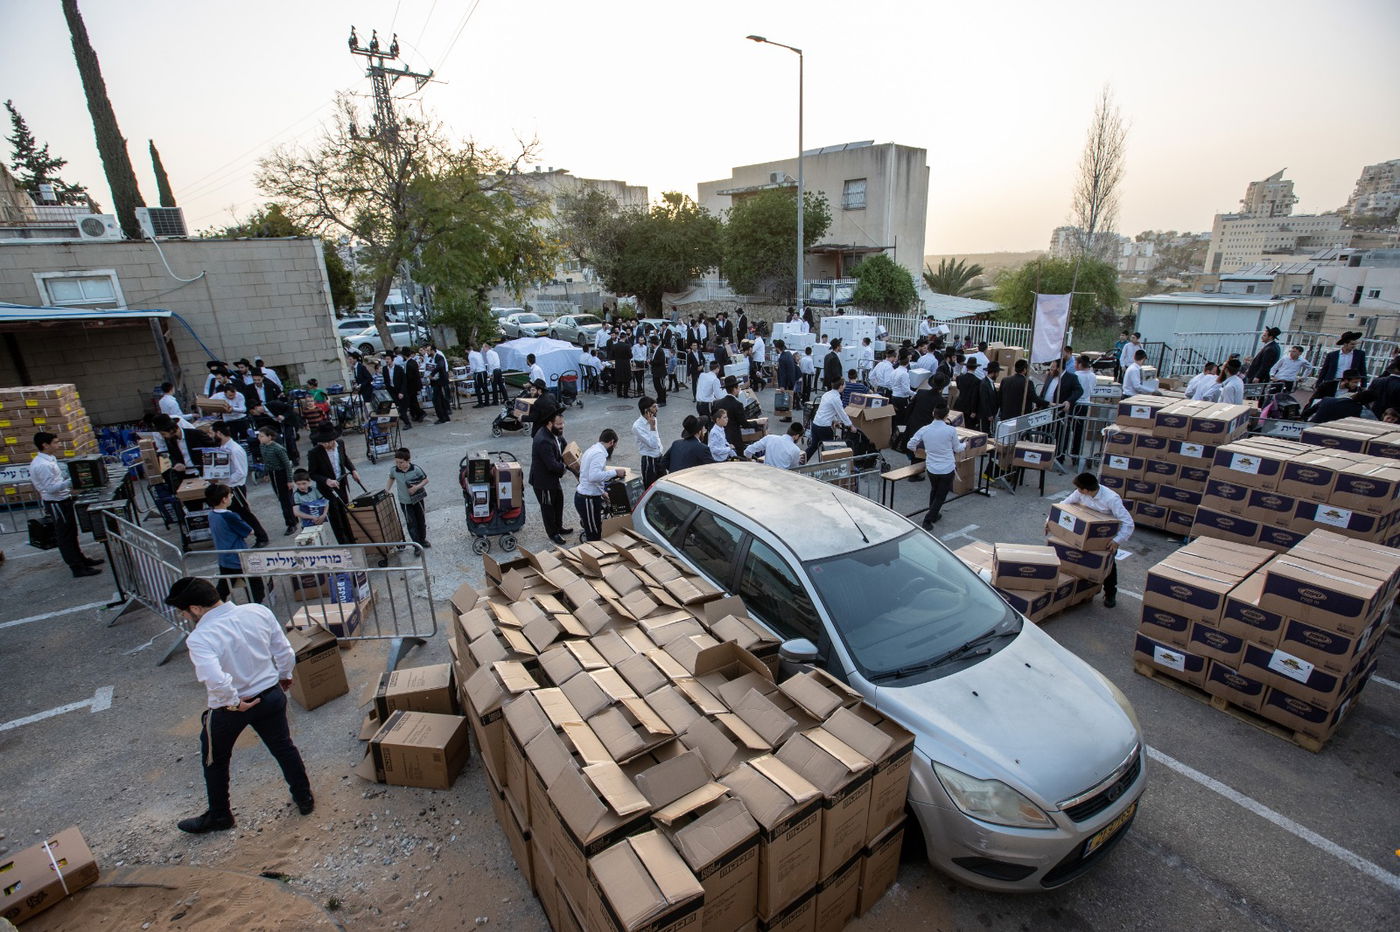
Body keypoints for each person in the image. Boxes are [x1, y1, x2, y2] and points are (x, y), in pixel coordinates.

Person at [165, 576, 312, 835]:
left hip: (232, 707)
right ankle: (304, 797)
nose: (185, 616)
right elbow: (285, 651)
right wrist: (284, 675)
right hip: (270, 693)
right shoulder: (257, 611)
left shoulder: (200, 637)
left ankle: (221, 815)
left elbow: (214, 677)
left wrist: (233, 702)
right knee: (283, 746)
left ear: (196, 609)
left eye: (185, 611)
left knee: (216, 761)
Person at [29, 431, 104, 577]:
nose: (58, 445)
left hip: (63, 499)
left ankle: (81, 559)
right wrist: (72, 480)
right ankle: (76, 567)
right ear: (45, 445)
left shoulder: (50, 459)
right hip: (56, 503)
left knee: (72, 532)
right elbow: (50, 488)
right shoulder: (42, 465)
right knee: (65, 536)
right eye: (55, 442)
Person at [1058, 472, 1133, 608]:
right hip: (1083, 534)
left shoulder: (1111, 499)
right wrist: (1049, 521)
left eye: (1080, 489)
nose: (1078, 491)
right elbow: (1064, 504)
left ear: (1086, 490)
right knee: (1079, 560)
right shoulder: (1080, 492)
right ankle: (1083, 590)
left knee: (1108, 565)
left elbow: (1128, 523)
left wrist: (1117, 540)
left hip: (1104, 538)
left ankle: (1110, 593)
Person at [205, 482, 266, 603]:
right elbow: (250, 531)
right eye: (229, 495)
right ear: (224, 499)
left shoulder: (211, 514)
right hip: (239, 558)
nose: (231, 497)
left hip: (224, 558)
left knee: (223, 587)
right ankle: (255, 608)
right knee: (256, 587)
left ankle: (213, 606)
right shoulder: (230, 516)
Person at [212, 422, 269, 547]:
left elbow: (241, 473)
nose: (211, 436)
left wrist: (224, 482)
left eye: (212, 433)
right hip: (228, 486)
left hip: (235, 488)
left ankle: (262, 536)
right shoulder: (223, 448)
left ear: (219, 433)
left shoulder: (235, 450)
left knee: (245, 514)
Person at [907, 406, 965, 528]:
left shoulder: (925, 429)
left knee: (934, 490)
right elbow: (957, 448)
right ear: (946, 416)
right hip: (947, 468)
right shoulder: (951, 430)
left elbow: (910, 444)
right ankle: (928, 519)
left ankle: (934, 514)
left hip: (932, 467)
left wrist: (919, 451)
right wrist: (966, 444)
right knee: (941, 495)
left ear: (933, 414)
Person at [307, 426, 362, 544]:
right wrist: (326, 480)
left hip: (341, 483)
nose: (325, 445)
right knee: (335, 516)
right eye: (322, 443)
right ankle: (343, 542)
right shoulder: (314, 452)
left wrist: (353, 470)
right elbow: (312, 474)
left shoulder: (340, 444)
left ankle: (352, 540)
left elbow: (345, 459)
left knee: (345, 511)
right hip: (327, 489)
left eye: (327, 442)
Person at [530, 411, 572, 545]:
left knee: (558, 502)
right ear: (549, 423)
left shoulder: (556, 434)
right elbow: (552, 465)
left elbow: (565, 447)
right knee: (548, 508)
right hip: (543, 481)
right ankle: (553, 533)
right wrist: (566, 466)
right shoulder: (543, 440)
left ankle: (559, 527)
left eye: (562, 423)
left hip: (552, 479)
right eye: (559, 424)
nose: (562, 426)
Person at [575, 429, 624, 542]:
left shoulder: (592, 449)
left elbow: (588, 477)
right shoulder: (599, 454)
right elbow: (593, 476)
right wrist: (615, 472)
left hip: (587, 497)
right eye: (614, 446)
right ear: (611, 442)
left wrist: (602, 492)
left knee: (595, 529)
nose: (614, 449)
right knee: (594, 535)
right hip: (588, 499)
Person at [257, 426, 297, 536]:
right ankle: (293, 517)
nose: (259, 438)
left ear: (270, 437)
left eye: (262, 436)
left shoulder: (278, 448)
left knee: (285, 500)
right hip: (273, 473)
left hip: (281, 474)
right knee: (281, 498)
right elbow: (266, 461)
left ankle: (291, 523)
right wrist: (266, 473)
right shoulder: (263, 446)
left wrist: (289, 480)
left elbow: (287, 465)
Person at [807, 375, 853, 460]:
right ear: (840, 386)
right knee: (829, 451)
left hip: (816, 424)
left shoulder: (827, 394)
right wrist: (850, 425)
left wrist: (835, 420)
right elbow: (842, 413)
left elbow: (827, 411)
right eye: (844, 385)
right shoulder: (835, 398)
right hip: (824, 427)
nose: (845, 386)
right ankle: (828, 468)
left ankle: (800, 462)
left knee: (813, 446)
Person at [711, 376, 758, 457]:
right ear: (735, 389)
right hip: (734, 439)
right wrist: (756, 422)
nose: (739, 389)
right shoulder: (737, 405)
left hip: (721, 438)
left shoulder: (717, 403)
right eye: (738, 387)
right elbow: (745, 424)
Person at [633, 396, 665, 486]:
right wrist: (652, 427)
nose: (657, 409)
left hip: (659, 456)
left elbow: (657, 439)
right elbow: (653, 444)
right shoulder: (637, 426)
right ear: (646, 410)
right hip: (649, 459)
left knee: (663, 485)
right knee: (650, 486)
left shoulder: (654, 419)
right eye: (654, 407)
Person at [426, 343, 452, 423]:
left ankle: (442, 418)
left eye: (428, 350)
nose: (427, 352)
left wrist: (431, 374)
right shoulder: (431, 358)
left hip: (439, 382)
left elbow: (440, 366)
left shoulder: (439, 357)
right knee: (440, 399)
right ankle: (445, 417)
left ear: (432, 351)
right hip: (434, 382)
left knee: (436, 400)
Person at [647, 337, 668, 406]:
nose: (650, 345)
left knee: (661, 387)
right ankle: (659, 399)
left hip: (660, 373)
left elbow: (660, 361)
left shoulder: (660, 350)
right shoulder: (655, 350)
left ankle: (663, 401)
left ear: (653, 344)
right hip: (656, 372)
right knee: (657, 387)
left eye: (650, 343)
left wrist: (651, 362)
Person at [486, 342, 506, 407]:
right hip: (499, 370)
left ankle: (495, 401)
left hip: (494, 370)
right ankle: (506, 399)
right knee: (501, 385)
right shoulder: (495, 352)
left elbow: (490, 364)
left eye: (483, 347)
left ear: (487, 347)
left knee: (494, 386)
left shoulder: (488, 353)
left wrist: (490, 373)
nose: (483, 349)